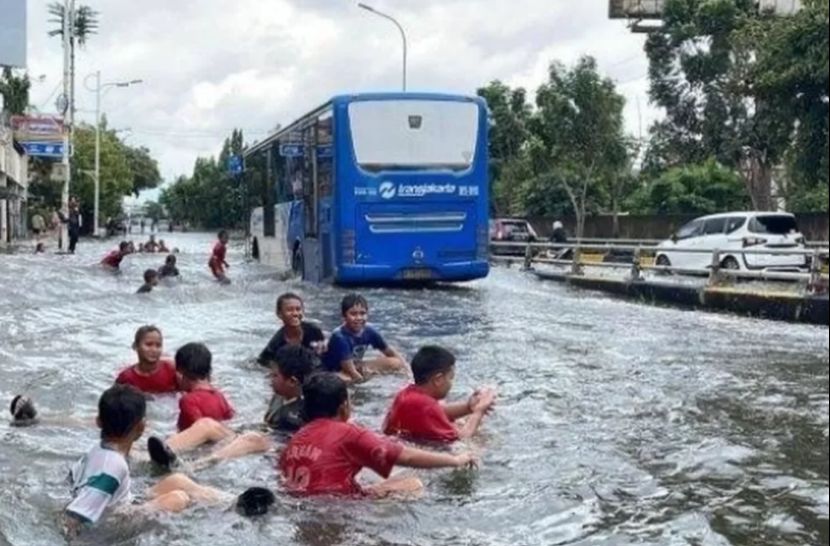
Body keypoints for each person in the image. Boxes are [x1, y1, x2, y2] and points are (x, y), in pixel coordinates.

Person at [279, 373, 478, 498]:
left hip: (304, 506)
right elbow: (406, 456)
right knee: (412, 484)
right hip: (337, 507)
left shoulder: (297, 437)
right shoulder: (348, 432)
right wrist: (455, 460)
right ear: (344, 406)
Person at [64, 385, 226, 535]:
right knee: (177, 499)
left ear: (98, 421)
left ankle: (233, 503)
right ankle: (223, 514)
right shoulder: (113, 468)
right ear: (142, 426)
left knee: (177, 480)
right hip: (110, 523)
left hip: (120, 504)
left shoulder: (97, 449)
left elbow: (72, 484)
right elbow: (74, 516)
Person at [383, 346, 496, 443]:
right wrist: (479, 412)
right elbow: (462, 439)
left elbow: (438, 411)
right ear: (438, 380)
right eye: (451, 378)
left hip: (397, 441)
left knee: (464, 424)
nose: (451, 383)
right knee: (479, 443)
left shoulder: (408, 393)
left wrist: (468, 407)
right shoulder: (423, 405)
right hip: (409, 449)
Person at [322, 293, 407, 383]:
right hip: (335, 371)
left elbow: (390, 352)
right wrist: (367, 385)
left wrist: (408, 370)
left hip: (355, 365)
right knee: (346, 379)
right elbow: (350, 370)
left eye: (362, 313)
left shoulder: (369, 330)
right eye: (353, 314)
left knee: (395, 363)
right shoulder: (339, 336)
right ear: (344, 316)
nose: (359, 318)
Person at [174, 342, 234, 431]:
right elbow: (230, 417)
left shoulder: (188, 401)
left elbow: (200, 429)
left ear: (181, 371)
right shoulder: (219, 395)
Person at [258, 293, 325, 367]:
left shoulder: (314, 331)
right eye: (290, 310)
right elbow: (264, 364)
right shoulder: (275, 345)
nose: (295, 313)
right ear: (279, 314)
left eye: (298, 309)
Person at [263, 345, 315, 433]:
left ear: (292, 381)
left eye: (275, 375)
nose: (269, 377)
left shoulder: (298, 415)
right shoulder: (279, 394)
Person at [116, 326, 179, 394]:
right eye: (148, 345)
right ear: (136, 346)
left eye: (158, 345)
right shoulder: (126, 378)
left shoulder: (172, 370)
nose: (154, 350)